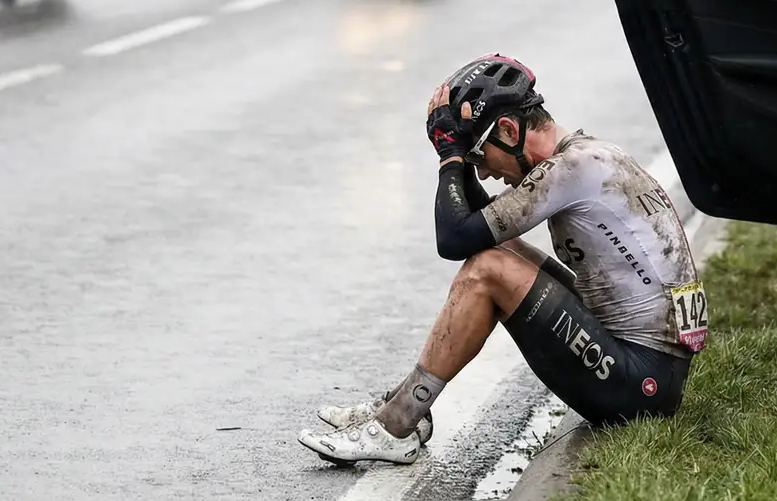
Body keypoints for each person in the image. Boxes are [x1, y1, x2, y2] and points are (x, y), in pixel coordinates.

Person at [297, 55, 707, 465]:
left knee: (488, 272)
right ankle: (404, 407)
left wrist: (450, 159)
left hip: (642, 385)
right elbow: (475, 229)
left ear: (509, 130)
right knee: (499, 253)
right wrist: (453, 152)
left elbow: (454, 237)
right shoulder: (587, 156)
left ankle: (395, 427)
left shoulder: (572, 169)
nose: (488, 174)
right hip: (647, 365)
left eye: (481, 158)